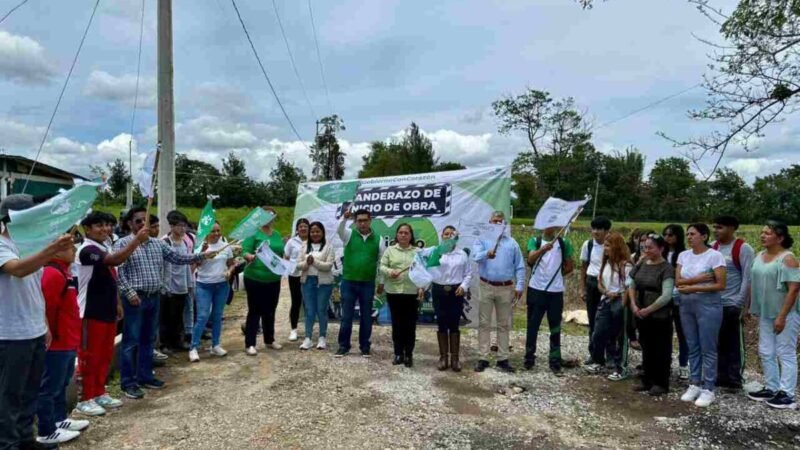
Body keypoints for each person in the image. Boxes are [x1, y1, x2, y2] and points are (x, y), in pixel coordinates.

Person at [114, 208, 214, 400]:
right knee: (131, 341)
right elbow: (119, 272)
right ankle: (128, 382)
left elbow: (178, 258)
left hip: (154, 297)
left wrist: (202, 255)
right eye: (138, 221)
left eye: (145, 221)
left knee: (148, 339)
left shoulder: (156, 244)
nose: (142, 224)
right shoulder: (122, 243)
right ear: (129, 224)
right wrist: (129, 292)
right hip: (135, 299)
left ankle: (145, 376)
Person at [0, 194, 74, 450]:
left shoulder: (29, 248)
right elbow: (18, 270)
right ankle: (7, 444)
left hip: (33, 331)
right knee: (9, 395)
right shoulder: (2, 246)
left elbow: (34, 289)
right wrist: (52, 249)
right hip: (9, 335)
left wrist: (43, 324)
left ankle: (24, 439)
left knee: (29, 392)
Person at [74, 212, 149, 417]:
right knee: (89, 357)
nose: (105, 229)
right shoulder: (87, 250)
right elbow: (114, 261)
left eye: (108, 225)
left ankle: (99, 392)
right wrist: (136, 240)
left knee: (105, 355)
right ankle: (85, 399)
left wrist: (117, 302)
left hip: (107, 310)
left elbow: (110, 277)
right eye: (99, 225)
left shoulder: (103, 246)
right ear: (87, 229)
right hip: (90, 312)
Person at [35, 243, 88, 446]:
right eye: (68, 247)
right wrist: (50, 334)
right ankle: (46, 430)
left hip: (68, 338)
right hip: (57, 342)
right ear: (55, 250)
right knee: (49, 387)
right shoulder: (52, 273)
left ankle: (59, 419)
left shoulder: (64, 271)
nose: (74, 250)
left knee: (61, 384)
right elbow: (47, 308)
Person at [746, 221, 800, 409]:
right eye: (762, 232)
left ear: (780, 237)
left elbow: (794, 289)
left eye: (768, 233)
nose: (762, 236)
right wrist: (749, 306)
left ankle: (787, 394)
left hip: (785, 313)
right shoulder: (759, 256)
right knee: (766, 350)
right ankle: (771, 387)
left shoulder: (788, 259)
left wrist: (782, 316)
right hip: (765, 312)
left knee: (785, 351)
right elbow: (753, 282)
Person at [676, 223, 727, 408]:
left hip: (708, 303)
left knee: (708, 346)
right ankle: (694, 382)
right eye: (688, 234)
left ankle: (709, 387)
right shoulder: (683, 255)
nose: (689, 237)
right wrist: (699, 280)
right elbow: (678, 281)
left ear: (704, 236)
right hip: (687, 304)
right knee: (692, 344)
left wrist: (691, 287)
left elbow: (720, 284)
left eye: (693, 234)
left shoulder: (715, 256)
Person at [473, 211, 525, 374]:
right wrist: (486, 254)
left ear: (504, 225)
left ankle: (503, 358)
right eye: (494, 221)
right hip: (486, 285)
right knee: (484, 323)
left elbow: (520, 266)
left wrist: (520, 286)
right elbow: (475, 257)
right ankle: (483, 357)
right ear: (489, 223)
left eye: (500, 221)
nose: (497, 224)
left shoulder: (512, 243)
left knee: (503, 324)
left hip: (505, 288)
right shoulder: (482, 239)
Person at [628, 234, 675, 396]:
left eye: (650, 247)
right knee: (646, 346)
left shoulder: (666, 268)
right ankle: (647, 379)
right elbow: (631, 283)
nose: (647, 250)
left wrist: (649, 309)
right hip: (641, 311)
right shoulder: (642, 263)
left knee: (660, 348)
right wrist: (633, 304)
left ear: (661, 249)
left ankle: (661, 382)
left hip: (659, 314)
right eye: (645, 247)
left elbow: (666, 295)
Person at [711, 215, 755, 391]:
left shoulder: (743, 248)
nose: (716, 231)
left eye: (720, 227)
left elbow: (747, 277)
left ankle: (735, 378)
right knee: (718, 341)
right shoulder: (713, 247)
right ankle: (721, 375)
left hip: (732, 303)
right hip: (715, 303)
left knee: (734, 342)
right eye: (715, 227)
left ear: (732, 228)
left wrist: (739, 302)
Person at [525, 225, 575, 375]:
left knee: (555, 327)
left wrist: (557, 276)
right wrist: (542, 250)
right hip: (536, 289)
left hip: (555, 292)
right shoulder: (535, 241)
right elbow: (530, 260)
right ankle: (529, 358)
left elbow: (570, 266)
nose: (550, 227)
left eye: (553, 225)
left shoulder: (564, 243)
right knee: (532, 325)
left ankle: (555, 360)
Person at [336, 209, 385, 358]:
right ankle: (343, 346)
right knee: (347, 316)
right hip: (348, 282)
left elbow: (382, 263)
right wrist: (344, 218)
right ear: (355, 222)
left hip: (367, 284)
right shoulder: (348, 234)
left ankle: (365, 346)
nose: (362, 223)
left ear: (370, 221)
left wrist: (381, 282)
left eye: (365, 220)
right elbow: (339, 230)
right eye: (359, 220)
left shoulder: (379, 239)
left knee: (366, 317)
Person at [423, 226, 472, 372]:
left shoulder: (462, 254)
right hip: (439, 291)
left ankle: (455, 359)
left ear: (456, 237)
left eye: (452, 234)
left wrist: (463, 286)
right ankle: (443, 357)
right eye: (446, 234)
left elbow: (468, 273)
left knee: (454, 324)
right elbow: (428, 270)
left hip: (456, 292)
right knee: (442, 323)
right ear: (442, 236)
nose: (449, 236)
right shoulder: (436, 252)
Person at [585, 232, 632, 381]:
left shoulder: (626, 265)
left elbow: (629, 287)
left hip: (620, 301)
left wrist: (622, 304)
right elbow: (600, 282)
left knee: (619, 337)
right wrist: (606, 292)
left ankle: (621, 367)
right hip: (605, 300)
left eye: (608, 246)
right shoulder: (605, 263)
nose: (605, 249)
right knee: (598, 333)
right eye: (605, 245)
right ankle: (598, 360)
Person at [189, 222, 235, 362]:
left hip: (222, 285)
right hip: (204, 285)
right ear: (207, 233)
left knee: (217, 315)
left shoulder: (225, 246)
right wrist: (203, 254)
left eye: (218, 231)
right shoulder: (200, 247)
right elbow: (193, 266)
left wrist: (229, 271)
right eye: (213, 231)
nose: (216, 234)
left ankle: (215, 345)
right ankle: (193, 347)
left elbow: (231, 263)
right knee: (202, 316)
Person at [241, 207, 285, 356]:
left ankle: (269, 339)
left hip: (273, 278)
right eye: (266, 215)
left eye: (272, 216)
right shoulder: (253, 232)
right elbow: (245, 251)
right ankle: (250, 343)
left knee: (270, 310)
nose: (269, 219)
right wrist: (249, 256)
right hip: (255, 277)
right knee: (254, 310)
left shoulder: (277, 234)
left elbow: (280, 253)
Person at [380, 223, 424, 367]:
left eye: (406, 233)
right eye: (401, 232)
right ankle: (398, 353)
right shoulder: (390, 250)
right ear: (397, 235)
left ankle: (409, 354)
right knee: (397, 324)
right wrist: (389, 272)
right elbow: (382, 266)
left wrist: (421, 287)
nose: (403, 235)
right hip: (394, 292)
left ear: (411, 236)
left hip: (412, 293)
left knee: (410, 325)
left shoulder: (418, 252)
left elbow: (423, 271)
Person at [296, 222, 335, 351]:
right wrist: (307, 263)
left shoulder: (329, 246)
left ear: (322, 232)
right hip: (307, 282)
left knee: (321, 310)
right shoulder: (304, 246)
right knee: (309, 310)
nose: (315, 234)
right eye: (312, 231)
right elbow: (298, 265)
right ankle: (308, 338)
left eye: (318, 231)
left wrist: (314, 262)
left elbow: (328, 266)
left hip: (323, 283)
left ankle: (322, 337)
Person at [160, 212, 195, 353]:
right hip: (169, 287)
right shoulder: (165, 243)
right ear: (172, 226)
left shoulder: (185, 243)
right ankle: (165, 344)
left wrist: (189, 284)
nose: (183, 229)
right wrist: (165, 287)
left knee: (178, 316)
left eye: (184, 226)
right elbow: (163, 267)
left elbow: (186, 264)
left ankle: (177, 341)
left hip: (182, 286)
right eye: (180, 226)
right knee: (167, 317)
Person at [579, 217, 612, 365]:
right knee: (593, 320)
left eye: (599, 229)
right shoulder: (588, 245)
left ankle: (611, 355)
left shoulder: (612, 245)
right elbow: (583, 267)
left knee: (609, 320)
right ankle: (594, 354)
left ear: (607, 231)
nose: (595, 232)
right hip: (592, 282)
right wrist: (582, 288)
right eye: (593, 228)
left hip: (608, 284)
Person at [663, 224, 689, 380]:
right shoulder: (662, 252)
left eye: (671, 235)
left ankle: (683, 363)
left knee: (682, 333)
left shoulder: (684, 255)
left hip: (679, 297)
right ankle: (665, 362)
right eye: (665, 234)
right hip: (663, 297)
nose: (667, 238)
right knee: (664, 332)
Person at [284, 219, 310, 343]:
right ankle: (293, 329)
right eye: (301, 226)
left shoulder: (313, 240)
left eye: (305, 226)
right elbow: (286, 256)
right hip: (295, 275)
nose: (303, 228)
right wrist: (290, 268)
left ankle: (308, 330)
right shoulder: (291, 241)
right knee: (296, 302)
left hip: (310, 275)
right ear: (297, 229)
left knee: (308, 302)